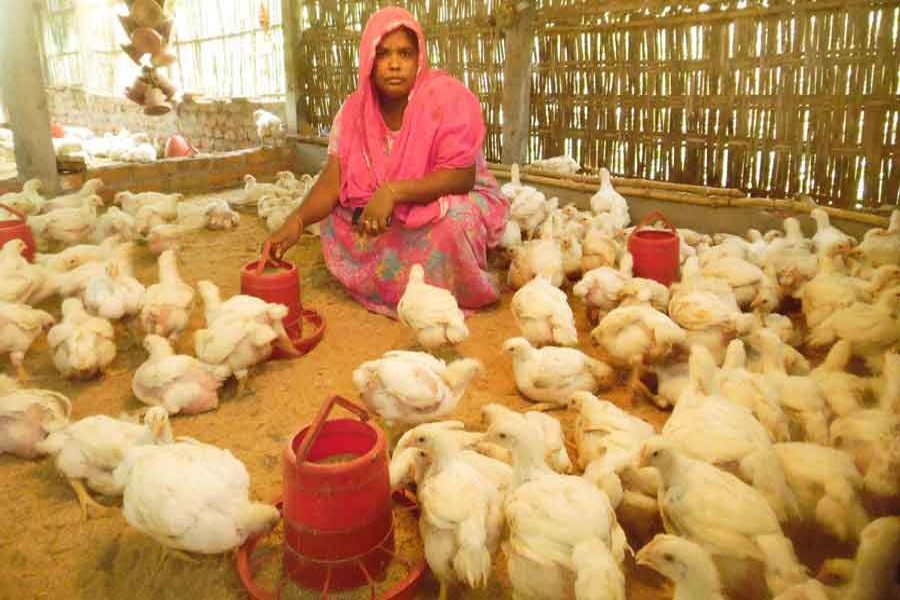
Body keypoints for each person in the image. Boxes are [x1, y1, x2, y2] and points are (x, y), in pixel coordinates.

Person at [266, 6, 509, 317]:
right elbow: (332, 181)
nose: (395, 64)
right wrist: (296, 221)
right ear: (369, 59)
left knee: (453, 224)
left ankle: (445, 296)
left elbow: (461, 177)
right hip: (390, 206)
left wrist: (392, 192)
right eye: (383, 54)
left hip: (450, 195)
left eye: (405, 53)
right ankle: (398, 288)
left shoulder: (444, 100)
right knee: (339, 217)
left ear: (419, 58)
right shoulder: (353, 113)